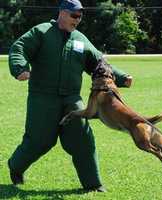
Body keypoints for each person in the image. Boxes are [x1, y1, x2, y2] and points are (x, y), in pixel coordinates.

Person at [8, 0, 132, 192]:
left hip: (71, 99)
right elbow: (19, 48)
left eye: (80, 16)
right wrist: (20, 68)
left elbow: (100, 63)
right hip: (42, 98)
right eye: (74, 15)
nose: (78, 19)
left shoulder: (80, 39)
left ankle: (93, 184)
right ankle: (15, 167)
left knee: (83, 139)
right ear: (62, 13)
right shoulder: (41, 32)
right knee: (38, 141)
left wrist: (122, 77)